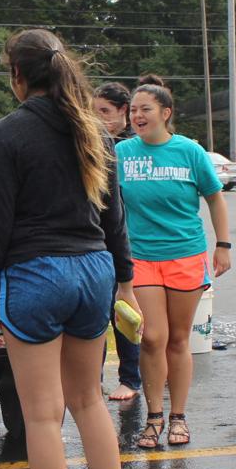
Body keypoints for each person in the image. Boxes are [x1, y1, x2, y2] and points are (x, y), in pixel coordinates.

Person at [0, 29, 143, 469]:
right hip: (93, 272)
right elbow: (115, 218)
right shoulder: (95, 131)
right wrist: (124, 283)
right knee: (89, 400)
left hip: (35, 275)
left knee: (43, 415)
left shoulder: (8, 133)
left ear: (18, 75)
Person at [116, 76, 231, 448]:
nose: (137, 116)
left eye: (145, 109)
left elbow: (215, 198)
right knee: (152, 338)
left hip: (185, 254)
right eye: (133, 110)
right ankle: (154, 417)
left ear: (165, 113)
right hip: (140, 257)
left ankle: (178, 416)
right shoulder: (121, 153)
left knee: (179, 340)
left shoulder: (190, 151)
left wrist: (223, 245)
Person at [93, 81, 141, 401]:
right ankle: (93, 378)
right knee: (98, 315)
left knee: (125, 314)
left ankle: (130, 378)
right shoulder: (93, 142)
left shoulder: (134, 147)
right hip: (101, 241)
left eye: (105, 111)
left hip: (132, 242)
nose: (98, 118)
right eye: (94, 111)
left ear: (123, 111)